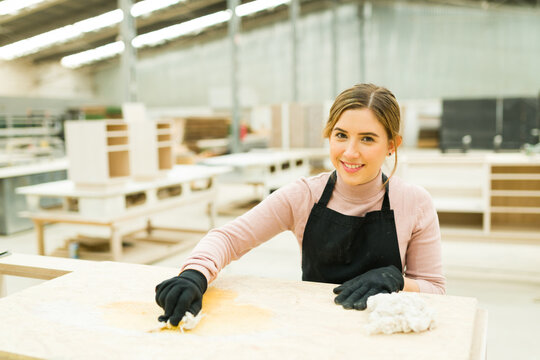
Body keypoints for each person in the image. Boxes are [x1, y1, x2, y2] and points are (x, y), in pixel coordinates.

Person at [155, 83, 446, 326]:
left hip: (382, 332)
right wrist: (194, 275)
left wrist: (397, 282)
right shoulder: (304, 196)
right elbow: (228, 238)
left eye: (367, 139)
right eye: (341, 135)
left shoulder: (414, 202)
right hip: (314, 327)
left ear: (392, 144)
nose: (350, 151)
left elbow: (435, 290)